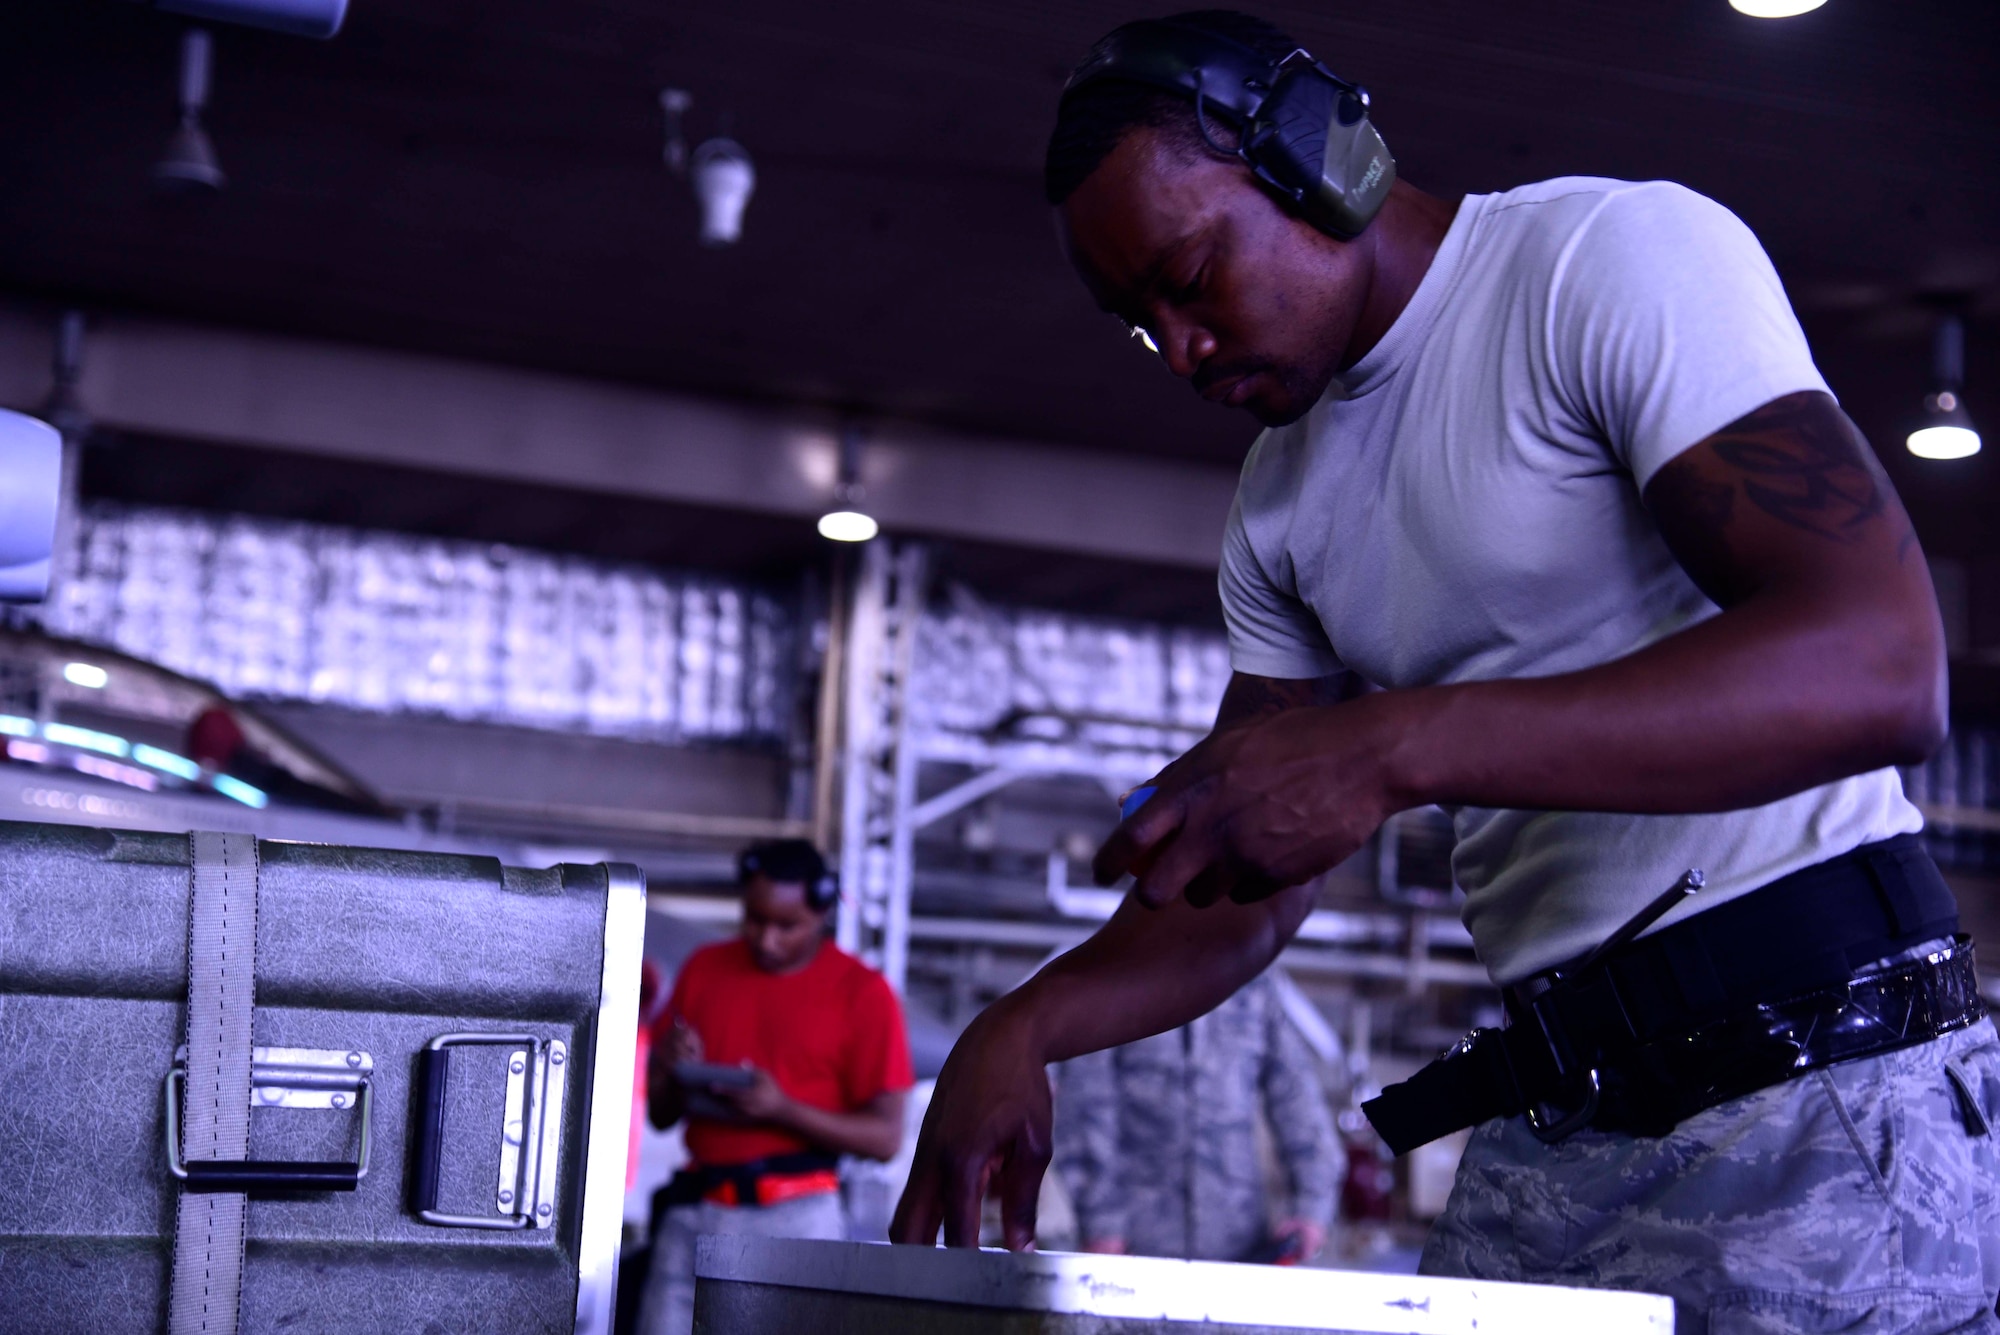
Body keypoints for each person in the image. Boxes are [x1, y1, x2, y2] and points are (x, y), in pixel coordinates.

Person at [892, 11, 2000, 1331]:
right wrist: (1023, 1022)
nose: (1181, 351)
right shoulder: (1276, 508)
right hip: (1563, 1111)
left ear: (1320, 162)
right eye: (1141, 324)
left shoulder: (1599, 260)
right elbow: (1249, 875)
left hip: (1823, 1068)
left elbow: (1881, 660)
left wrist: (1390, 744)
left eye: (1190, 276)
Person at [636, 839, 912, 1335]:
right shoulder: (704, 969)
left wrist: (781, 1109)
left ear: (824, 911)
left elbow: (886, 1139)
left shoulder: (864, 994)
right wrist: (672, 1070)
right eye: (754, 920)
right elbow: (659, 1114)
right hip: (698, 1210)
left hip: (800, 1220)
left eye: (787, 926)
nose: (766, 939)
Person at [1055, 969, 1341, 1264]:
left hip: (1241, 1247)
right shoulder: (1116, 980)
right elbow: (1086, 1106)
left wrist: (1312, 1207)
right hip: (1134, 1247)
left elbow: (1297, 1099)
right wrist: (1101, 1220)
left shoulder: (1253, 986)